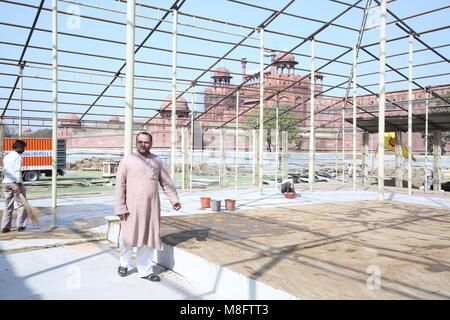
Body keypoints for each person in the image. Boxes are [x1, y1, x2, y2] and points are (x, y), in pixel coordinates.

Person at [115, 132, 182, 282]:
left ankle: (145, 270)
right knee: (127, 237)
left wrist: (174, 200)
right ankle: (124, 263)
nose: (143, 144)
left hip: (151, 208)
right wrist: (120, 208)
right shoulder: (127, 160)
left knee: (148, 239)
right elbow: (120, 185)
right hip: (130, 208)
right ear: (136, 143)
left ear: (151, 144)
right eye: (140, 142)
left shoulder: (157, 161)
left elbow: (167, 183)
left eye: (146, 142)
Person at [1, 139, 28, 233]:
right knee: (22, 204)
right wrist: (18, 185)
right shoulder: (18, 157)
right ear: (18, 147)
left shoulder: (6, 156)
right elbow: (17, 172)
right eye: (23, 148)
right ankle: (21, 226)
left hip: (6, 182)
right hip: (15, 183)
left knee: (8, 206)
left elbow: (4, 170)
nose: (24, 150)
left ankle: (5, 227)